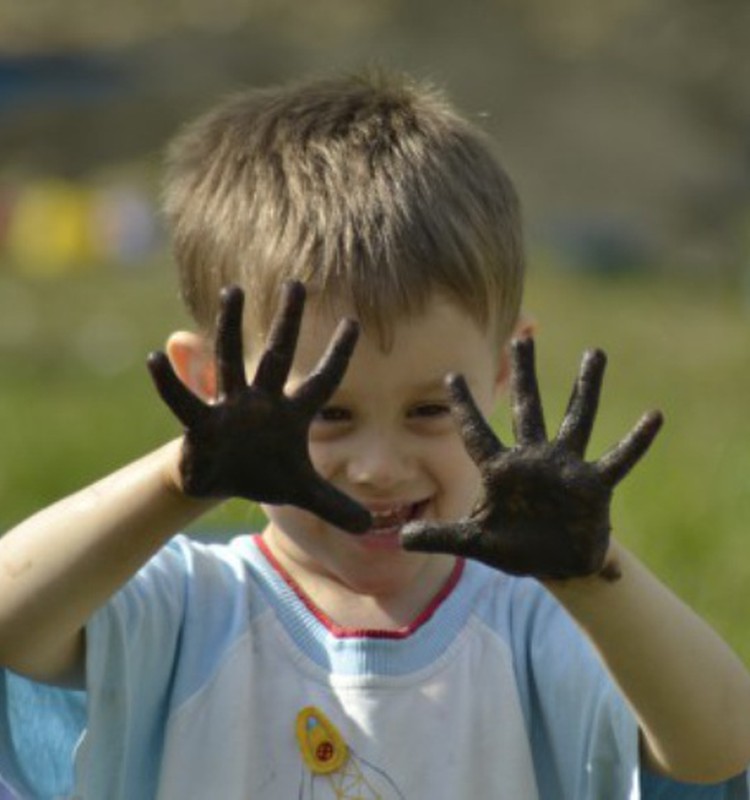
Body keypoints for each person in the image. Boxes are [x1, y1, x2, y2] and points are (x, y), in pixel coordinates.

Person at [1, 70, 749, 800]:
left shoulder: (534, 625)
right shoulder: (185, 611)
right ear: (209, 387)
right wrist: (181, 475)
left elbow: (718, 747)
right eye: (326, 412)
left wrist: (592, 573)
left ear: (501, 372)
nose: (379, 467)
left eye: (431, 410)